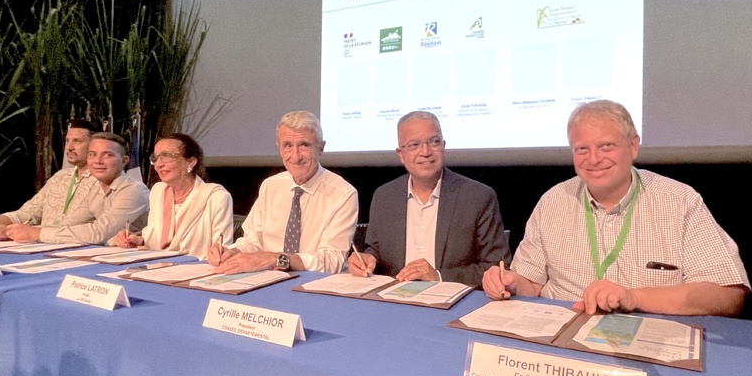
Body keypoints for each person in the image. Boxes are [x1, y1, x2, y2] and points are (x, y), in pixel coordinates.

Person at [483, 100, 750, 316]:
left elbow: (727, 295)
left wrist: (634, 297)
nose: (594, 159)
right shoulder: (553, 201)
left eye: (606, 146)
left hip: (650, 339)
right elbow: (532, 284)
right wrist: (510, 283)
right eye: (582, 149)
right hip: (561, 339)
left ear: (633, 146)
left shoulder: (678, 201)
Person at [348, 111, 510, 287]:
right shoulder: (385, 196)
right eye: (414, 145)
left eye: (434, 142)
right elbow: (375, 250)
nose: (425, 152)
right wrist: (366, 259)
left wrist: (439, 276)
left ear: (443, 146)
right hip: (395, 299)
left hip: (453, 302)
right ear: (401, 154)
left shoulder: (477, 197)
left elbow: (497, 267)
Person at [207, 111, 358, 273]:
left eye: (304, 145)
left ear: (321, 148)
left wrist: (276, 258)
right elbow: (252, 241)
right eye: (287, 146)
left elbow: (331, 261)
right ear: (279, 148)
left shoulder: (343, 194)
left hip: (314, 284)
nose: (295, 156)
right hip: (267, 280)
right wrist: (232, 252)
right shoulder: (270, 186)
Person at [0, 119, 100, 241]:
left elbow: (75, 227)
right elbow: (22, 215)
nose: (69, 147)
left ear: (96, 145)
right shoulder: (60, 178)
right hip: (40, 249)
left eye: (77, 141)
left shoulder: (104, 181)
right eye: (67, 141)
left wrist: (12, 232)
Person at [2, 132, 149, 244]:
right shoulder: (95, 188)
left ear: (124, 161)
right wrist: (10, 231)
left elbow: (98, 233)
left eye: (107, 155)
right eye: (92, 154)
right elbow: (68, 225)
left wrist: (36, 234)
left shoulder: (133, 190)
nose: (97, 161)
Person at [113, 133, 233, 259]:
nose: (158, 164)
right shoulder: (158, 190)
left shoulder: (216, 197)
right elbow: (154, 239)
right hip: (157, 268)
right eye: (156, 158)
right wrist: (138, 240)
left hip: (196, 270)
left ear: (190, 162)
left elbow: (222, 248)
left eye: (166, 156)